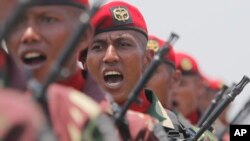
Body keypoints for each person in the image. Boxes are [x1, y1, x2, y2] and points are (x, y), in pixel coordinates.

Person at [85, 1, 196, 140]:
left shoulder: (180, 133)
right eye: (98, 47)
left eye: (123, 45)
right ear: (84, 62)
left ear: (147, 60)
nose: (110, 56)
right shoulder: (62, 119)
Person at [171, 52, 204, 125]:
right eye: (168, 82)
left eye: (181, 84)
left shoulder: (216, 132)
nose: (173, 90)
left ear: (199, 87)